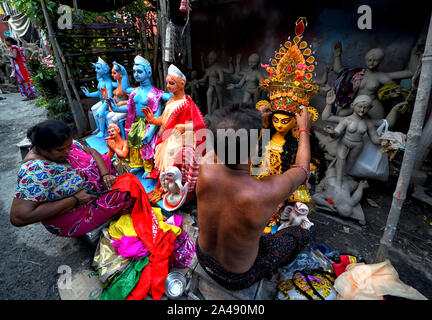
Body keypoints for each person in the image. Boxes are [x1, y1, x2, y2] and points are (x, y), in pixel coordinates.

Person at [195, 103, 312, 290]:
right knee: (300, 233)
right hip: (236, 278)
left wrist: (251, 119)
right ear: (255, 147)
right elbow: (302, 169)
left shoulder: (205, 163)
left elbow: (227, 140)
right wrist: (304, 129)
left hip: (202, 255)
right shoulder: (265, 192)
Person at [10, 120, 135, 237]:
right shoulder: (36, 172)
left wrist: (105, 174)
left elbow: (92, 152)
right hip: (72, 216)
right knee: (128, 192)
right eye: (61, 150)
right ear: (42, 148)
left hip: (89, 194)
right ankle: (118, 215)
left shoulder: (63, 143)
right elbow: (19, 217)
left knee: (106, 160)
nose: (67, 151)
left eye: (69, 147)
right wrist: (75, 200)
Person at [5, 37, 38, 101]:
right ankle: (29, 95)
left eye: (6, 41)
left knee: (24, 80)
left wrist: (9, 56)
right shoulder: (16, 47)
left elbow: (14, 56)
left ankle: (31, 95)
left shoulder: (13, 47)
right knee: (24, 80)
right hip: (20, 66)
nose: (5, 43)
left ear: (9, 41)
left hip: (19, 66)